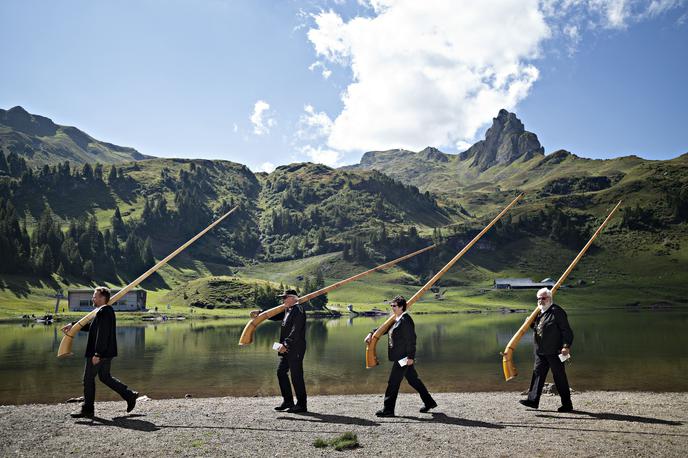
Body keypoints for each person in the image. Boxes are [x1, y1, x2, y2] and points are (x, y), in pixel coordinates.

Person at [61, 287, 138, 418]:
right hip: (106, 352)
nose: (93, 298)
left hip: (100, 353)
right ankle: (129, 395)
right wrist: (73, 325)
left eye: (95, 296)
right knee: (104, 377)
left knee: (88, 379)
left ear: (102, 298)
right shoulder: (103, 311)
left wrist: (97, 354)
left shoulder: (104, 311)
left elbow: (102, 335)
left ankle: (87, 409)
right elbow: (92, 327)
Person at [365, 295, 436, 417]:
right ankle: (429, 402)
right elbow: (385, 329)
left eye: (394, 306)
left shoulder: (406, 320)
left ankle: (388, 410)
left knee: (393, 382)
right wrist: (371, 333)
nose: (392, 308)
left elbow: (412, 340)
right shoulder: (397, 319)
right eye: (391, 305)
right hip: (400, 357)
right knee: (414, 380)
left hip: (403, 358)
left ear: (402, 307)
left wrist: (410, 357)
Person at [250, 289, 307, 413]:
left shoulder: (299, 310)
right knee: (281, 372)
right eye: (283, 297)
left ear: (293, 298)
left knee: (296, 376)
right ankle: (288, 401)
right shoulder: (287, 309)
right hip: (285, 347)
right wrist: (260, 313)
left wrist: (286, 343)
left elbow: (296, 330)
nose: (283, 299)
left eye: (285, 297)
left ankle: (302, 405)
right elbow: (274, 315)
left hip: (295, 347)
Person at [519, 287, 574, 412]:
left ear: (549, 299)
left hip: (555, 351)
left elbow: (566, 331)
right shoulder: (539, 313)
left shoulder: (557, 312)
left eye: (543, 298)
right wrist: (531, 323)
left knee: (559, 377)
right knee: (537, 375)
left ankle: (567, 404)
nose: (540, 301)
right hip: (541, 352)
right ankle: (532, 401)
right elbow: (540, 330)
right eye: (538, 299)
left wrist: (566, 346)